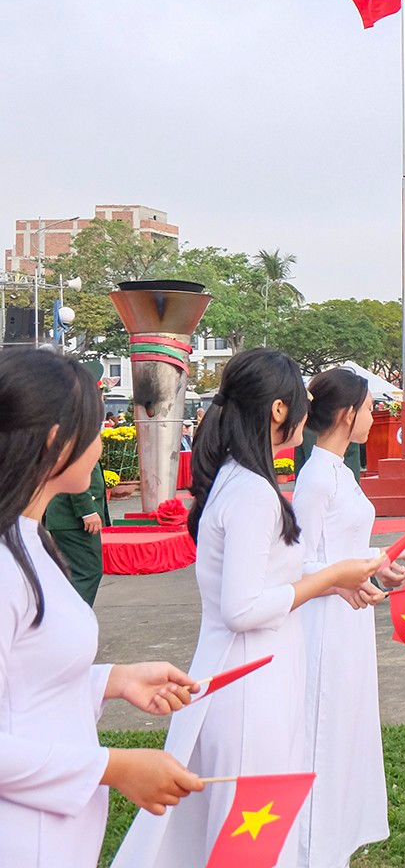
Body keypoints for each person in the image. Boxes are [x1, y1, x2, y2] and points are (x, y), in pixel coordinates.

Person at [112, 350, 385, 868]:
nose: (308, 412)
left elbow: (265, 583)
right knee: (248, 840)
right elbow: (242, 608)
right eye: (300, 401)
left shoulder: (242, 481)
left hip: (255, 677)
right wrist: (329, 578)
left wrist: (335, 581)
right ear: (278, 410)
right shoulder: (253, 492)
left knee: (246, 835)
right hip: (249, 687)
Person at [1, 350, 205, 868]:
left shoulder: (30, 539)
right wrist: (113, 767)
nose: (101, 444)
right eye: (93, 430)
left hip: (54, 829)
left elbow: (28, 684)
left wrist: (113, 679)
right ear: (57, 440)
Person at [294, 369, 405, 868]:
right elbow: (296, 562)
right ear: (347, 413)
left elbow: (342, 546)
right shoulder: (315, 479)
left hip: (352, 614)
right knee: (323, 726)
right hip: (324, 620)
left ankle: (336, 841)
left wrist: (384, 558)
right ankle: (311, 848)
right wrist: (343, 580)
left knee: (347, 726)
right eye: (370, 408)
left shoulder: (341, 472)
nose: (375, 417)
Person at [42, 440, 108, 606]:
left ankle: (67, 616)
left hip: (67, 517)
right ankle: (72, 618)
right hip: (72, 518)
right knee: (87, 572)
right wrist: (87, 511)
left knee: (76, 573)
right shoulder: (77, 430)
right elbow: (75, 472)